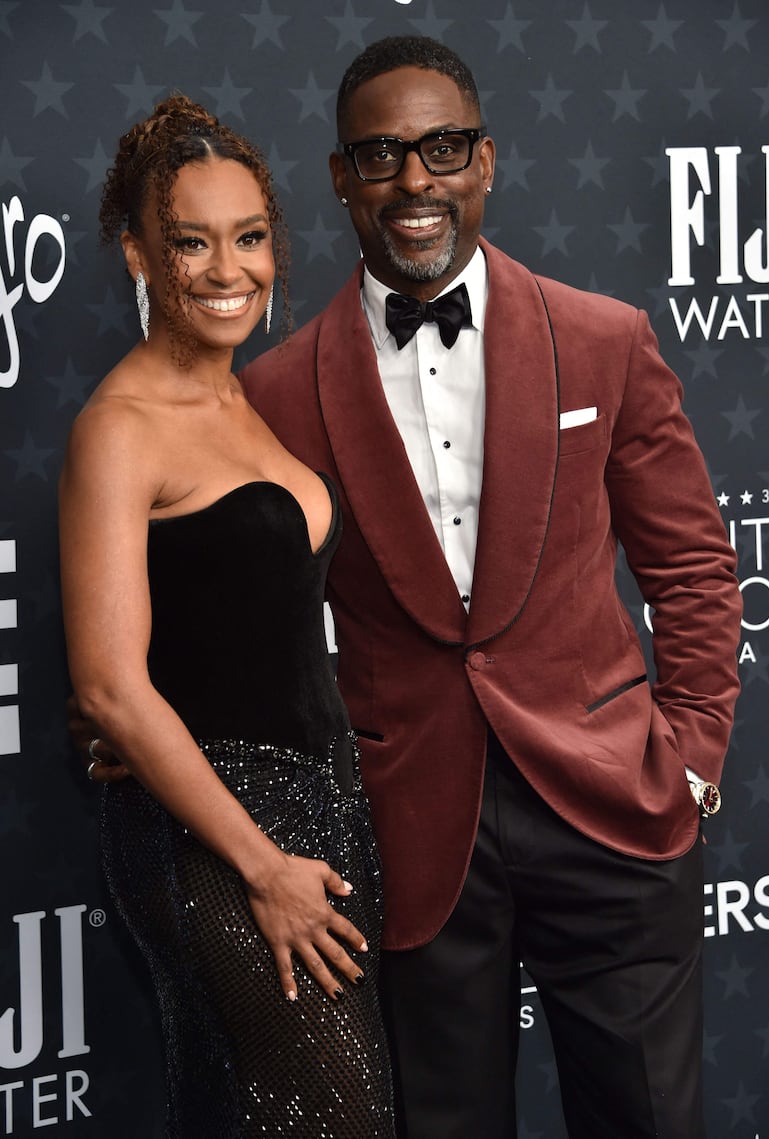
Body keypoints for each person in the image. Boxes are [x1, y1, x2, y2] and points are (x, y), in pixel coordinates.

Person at [75, 38, 742, 1139]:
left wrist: (694, 762)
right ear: (341, 178)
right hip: (409, 832)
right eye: (380, 154)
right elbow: (218, 586)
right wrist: (124, 707)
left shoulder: (603, 339)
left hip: (615, 813)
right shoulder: (276, 393)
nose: (414, 181)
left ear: (484, 160)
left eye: (441, 148)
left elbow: (693, 567)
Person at [59, 95, 393, 1138]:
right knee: (329, 1116)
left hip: (318, 811)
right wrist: (261, 866)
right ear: (137, 255)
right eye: (187, 243)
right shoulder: (119, 427)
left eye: (248, 238)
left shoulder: (248, 396)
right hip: (217, 833)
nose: (225, 269)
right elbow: (110, 683)